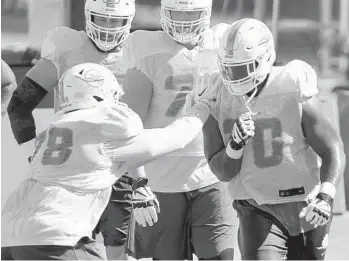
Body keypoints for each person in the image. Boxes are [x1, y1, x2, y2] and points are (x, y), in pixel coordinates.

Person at [1, 62, 213, 260]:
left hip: (10, 234)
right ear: (100, 95)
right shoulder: (101, 125)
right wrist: (203, 106)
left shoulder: (52, 126)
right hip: (54, 235)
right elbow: (175, 138)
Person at [6, 0, 151, 259]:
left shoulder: (141, 52)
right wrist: (34, 153)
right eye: (101, 19)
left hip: (117, 174)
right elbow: (18, 105)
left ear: (128, 20)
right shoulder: (68, 47)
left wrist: (141, 179)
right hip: (72, 180)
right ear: (87, 16)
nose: (107, 28)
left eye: (114, 20)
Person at [201, 18, 346, 260]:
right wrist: (234, 147)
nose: (232, 78)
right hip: (255, 205)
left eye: (241, 69)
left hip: (307, 203)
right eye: (227, 69)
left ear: (264, 59)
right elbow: (222, 172)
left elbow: (332, 147)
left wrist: (326, 195)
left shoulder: (291, 84)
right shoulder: (213, 93)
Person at [122, 0, 237, 259]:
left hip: (211, 174)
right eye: (177, 12)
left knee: (221, 256)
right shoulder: (144, 48)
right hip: (160, 182)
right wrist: (137, 182)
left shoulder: (223, 43)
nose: (184, 21)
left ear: (206, 12)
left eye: (192, 13)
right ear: (164, 11)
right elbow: (130, 126)